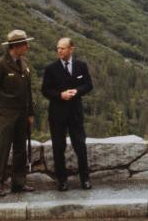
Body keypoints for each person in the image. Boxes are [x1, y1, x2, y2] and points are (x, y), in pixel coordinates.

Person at [0, 30, 36, 197]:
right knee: (3, 148)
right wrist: (1, 108)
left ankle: (18, 183)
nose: (27, 46)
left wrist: (30, 113)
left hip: (22, 113)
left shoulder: (25, 63)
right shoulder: (0, 64)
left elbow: (28, 91)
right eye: (24, 44)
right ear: (15, 46)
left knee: (20, 148)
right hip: (7, 112)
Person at [41, 37, 93, 191]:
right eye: (58, 48)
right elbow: (45, 90)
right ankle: (62, 180)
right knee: (58, 147)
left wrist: (77, 91)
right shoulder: (51, 68)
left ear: (71, 49)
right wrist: (60, 95)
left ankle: (85, 179)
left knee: (80, 146)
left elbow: (89, 85)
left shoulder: (80, 66)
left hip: (75, 113)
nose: (59, 51)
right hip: (57, 114)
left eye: (63, 48)